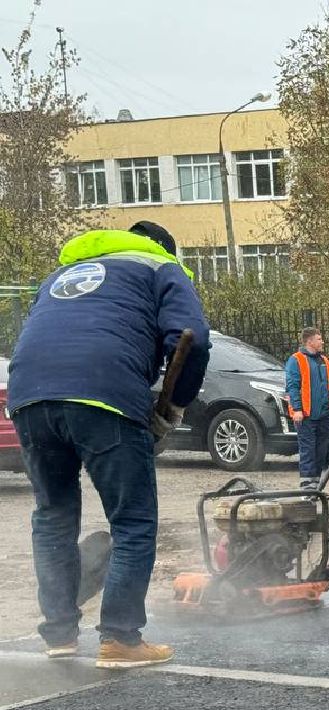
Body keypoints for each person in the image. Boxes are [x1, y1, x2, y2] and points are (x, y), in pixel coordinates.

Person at [7, 220, 211, 668]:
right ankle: (120, 638)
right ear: (166, 249)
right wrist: (173, 406)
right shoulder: (161, 266)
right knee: (133, 521)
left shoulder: (63, 274)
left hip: (28, 395)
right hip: (105, 392)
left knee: (53, 517)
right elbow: (191, 340)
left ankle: (59, 634)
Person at [284, 327, 329, 490]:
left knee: (321, 452)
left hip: (324, 414)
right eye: (319, 339)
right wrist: (297, 409)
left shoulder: (324, 360)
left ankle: (316, 486)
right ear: (310, 341)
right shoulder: (296, 360)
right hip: (306, 415)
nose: (322, 342)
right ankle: (307, 486)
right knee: (308, 450)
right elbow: (292, 386)